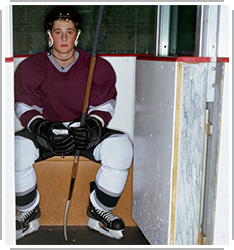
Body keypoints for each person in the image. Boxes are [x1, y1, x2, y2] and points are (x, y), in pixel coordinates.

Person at [14, 6, 133, 241]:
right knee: (15, 150)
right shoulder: (30, 67)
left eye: (70, 31)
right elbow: (25, 107)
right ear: (49, 35)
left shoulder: (98, 66)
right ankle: (28, 212)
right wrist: (42, 127)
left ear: (78, 34)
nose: (64, 37)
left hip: (82, 130)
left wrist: (92, 126)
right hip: (46, 130)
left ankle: (100, 210)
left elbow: (105, 104)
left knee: (121, 146)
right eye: (58, 32)